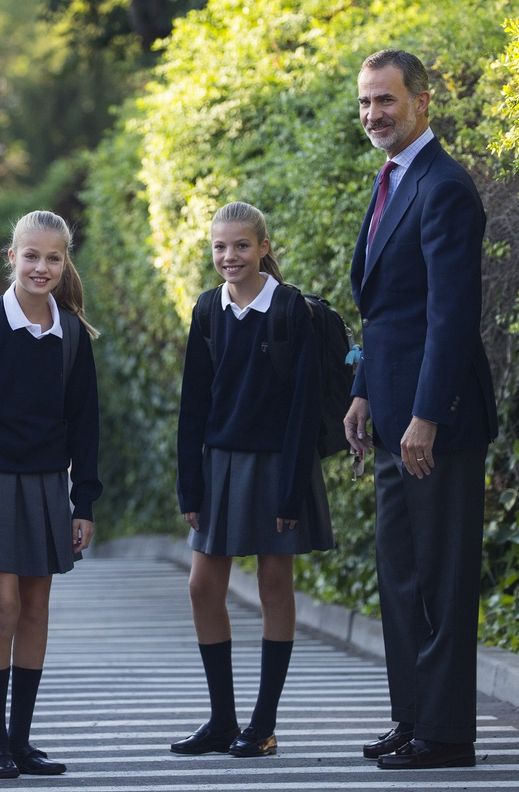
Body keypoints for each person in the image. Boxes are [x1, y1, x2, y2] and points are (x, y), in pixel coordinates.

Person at [343, 50, 498, 770]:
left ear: (421, 103)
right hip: (390, 417)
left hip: (435, 425)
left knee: (438, 577)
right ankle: (411, 719)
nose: (374, 113)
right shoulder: (389, 182)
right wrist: (364, 391)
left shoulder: (443, 187)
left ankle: (445, 735)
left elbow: (449, 316)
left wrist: (425, 415)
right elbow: (386, 310)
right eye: (367, 101)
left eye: (386, 100)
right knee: (400, 577)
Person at [0, 210, 102, 779]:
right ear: (12, 257)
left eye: (53, 258)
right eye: (31, 255)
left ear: (64, 263)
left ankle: (24, 743)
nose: (42, 266)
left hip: (49, 488)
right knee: (2, 609)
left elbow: (86, 426)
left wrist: (85, 503)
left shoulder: (72, 334)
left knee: (36, 609)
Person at [172, 201, 333, 758]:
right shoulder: (207, 310)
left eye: (241, 245)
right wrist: (189, 483)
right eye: (220, 246)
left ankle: (262, 724)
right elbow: (193, 402)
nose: (229, 256)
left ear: (264, 246)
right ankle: (222, 720)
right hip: (218, 462)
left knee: (273, 585)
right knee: (202, 586)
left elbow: (303, 411)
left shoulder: (292, 312)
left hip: (276, 465)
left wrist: (291, 490)